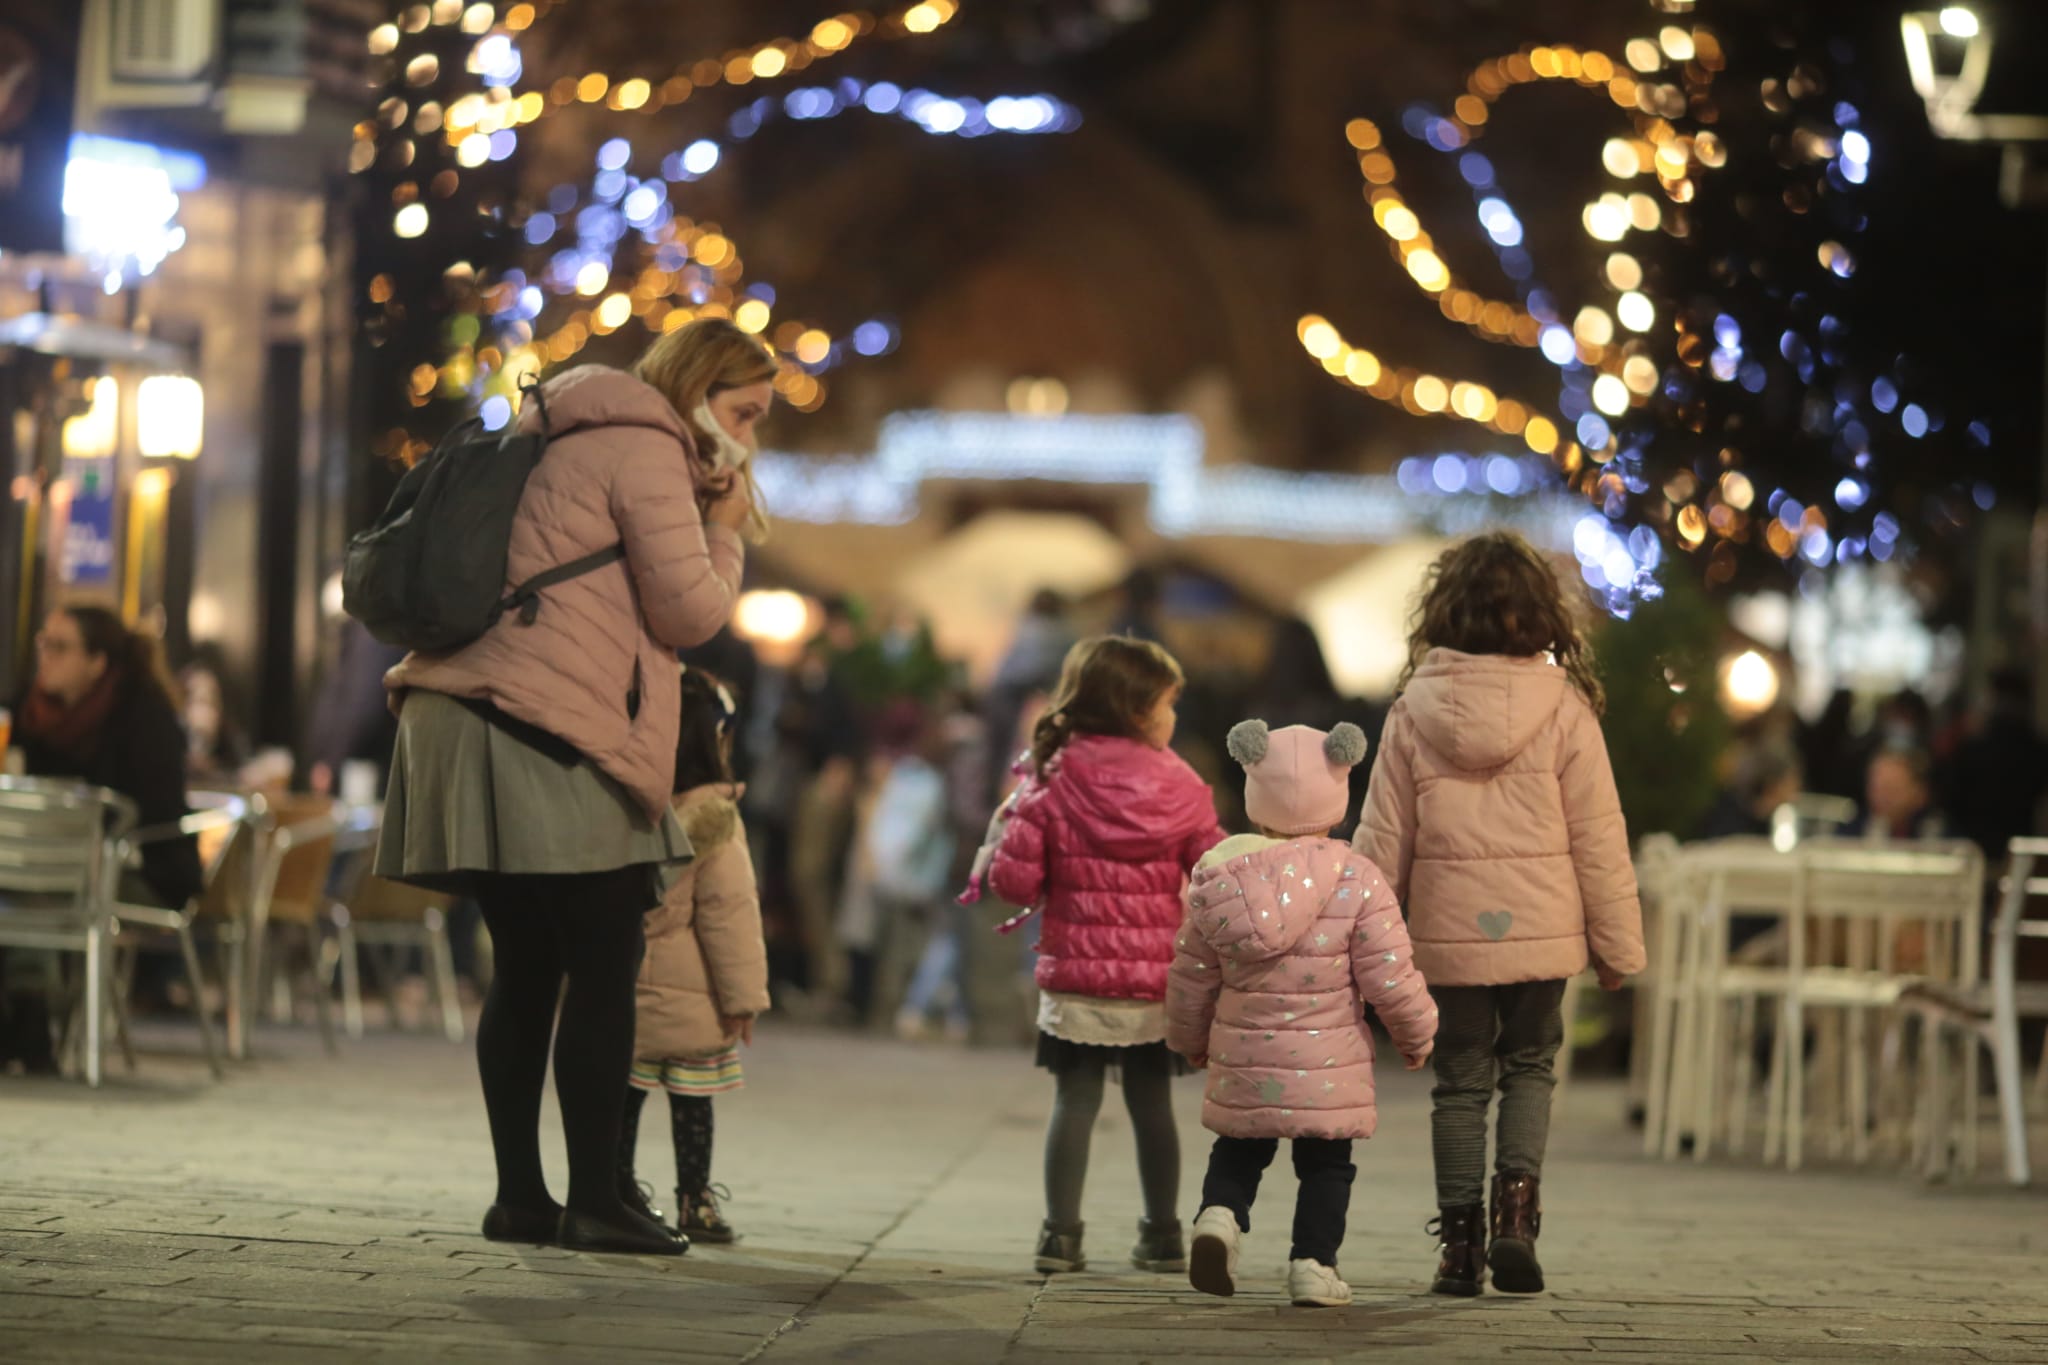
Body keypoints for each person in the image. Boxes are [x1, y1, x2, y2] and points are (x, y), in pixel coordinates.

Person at [375, 318, 767, 1257]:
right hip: (543, 722)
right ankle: (596, 1198)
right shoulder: (645, 444)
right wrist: (723, 531)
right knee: (602, 954)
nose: (751, 436)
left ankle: (523, 1196)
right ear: (699, 393)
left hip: (466, 708)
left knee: (527, 961)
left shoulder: (559, 425)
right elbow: (691, 612)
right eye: (745, 412)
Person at [1355, 531, 1643, 1297]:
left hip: (1448, 937)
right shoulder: (1566, 710)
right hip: (1542, 936)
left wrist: (1358, 948)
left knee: (1459, 1082)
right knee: (1530, 1068)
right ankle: (1517, 1218)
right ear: (1542, 615)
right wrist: (1618, 947)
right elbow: (1599, 839)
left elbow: (1383, 841)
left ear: (1445, 611)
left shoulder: (1411, 711)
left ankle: (1459, 1247)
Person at [1165, 720, 1437, 1308]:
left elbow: (1191, 973)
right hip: (1328, 1063)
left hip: (1245, 1056)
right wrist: (1417, 1035)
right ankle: (1314, 1265)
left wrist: (1188, 1038)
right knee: (1326, 1165)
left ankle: (1218, 1217)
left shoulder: (1220, 880)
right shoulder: (1358, 878)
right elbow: (1388, 973)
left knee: (1239, 1147)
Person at [989, 636, 1226, 1276]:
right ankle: (1162, 1234)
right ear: (1137, 709)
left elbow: (1013, 883)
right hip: (1151, 979)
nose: (1173, 716)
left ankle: (1060, 1236)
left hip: (1078, 976)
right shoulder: (1181, 785)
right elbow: (1213, 872)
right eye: (1168, 704)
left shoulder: (1051, 776)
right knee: (1153, 1107)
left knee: (1074, 1103)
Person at [4, 607, 201, 1067]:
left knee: (38, 888)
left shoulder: (142, 717)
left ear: (96, 662)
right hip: (43, 863)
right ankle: (24, 1014)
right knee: (25, 881)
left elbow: (152, 814)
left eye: (60, 647)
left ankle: (31, 1015)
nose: (46, 657)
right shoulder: (27, 712)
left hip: (140, 869)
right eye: (43, 644)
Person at [620, 667, 769, 1246]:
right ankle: (695, 1201)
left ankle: (616, 1186)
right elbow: (730, 916)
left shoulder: (626, 804)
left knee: (623, 1098)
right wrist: (743, 1000)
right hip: (695, 994)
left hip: (625, 984)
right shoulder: (715, 819)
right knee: (692, 1103)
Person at [1942, 669, 2048, 859]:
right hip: (2018, 842)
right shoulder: (2037, 748)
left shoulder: (1974, 746)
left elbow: (1952, 796)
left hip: (1974, 845)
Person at [1694, 741, 1804, 841]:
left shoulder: (1774, 819)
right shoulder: (1731, 817)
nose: (1796, 790)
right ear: (1773, 785)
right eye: (1791, 783)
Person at [1847, 746, 1945, 841]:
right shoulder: (1852, 830)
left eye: (1892, 789)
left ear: (1920, 793)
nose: (1882, 797)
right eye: (1876, 788)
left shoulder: (1938, 830)